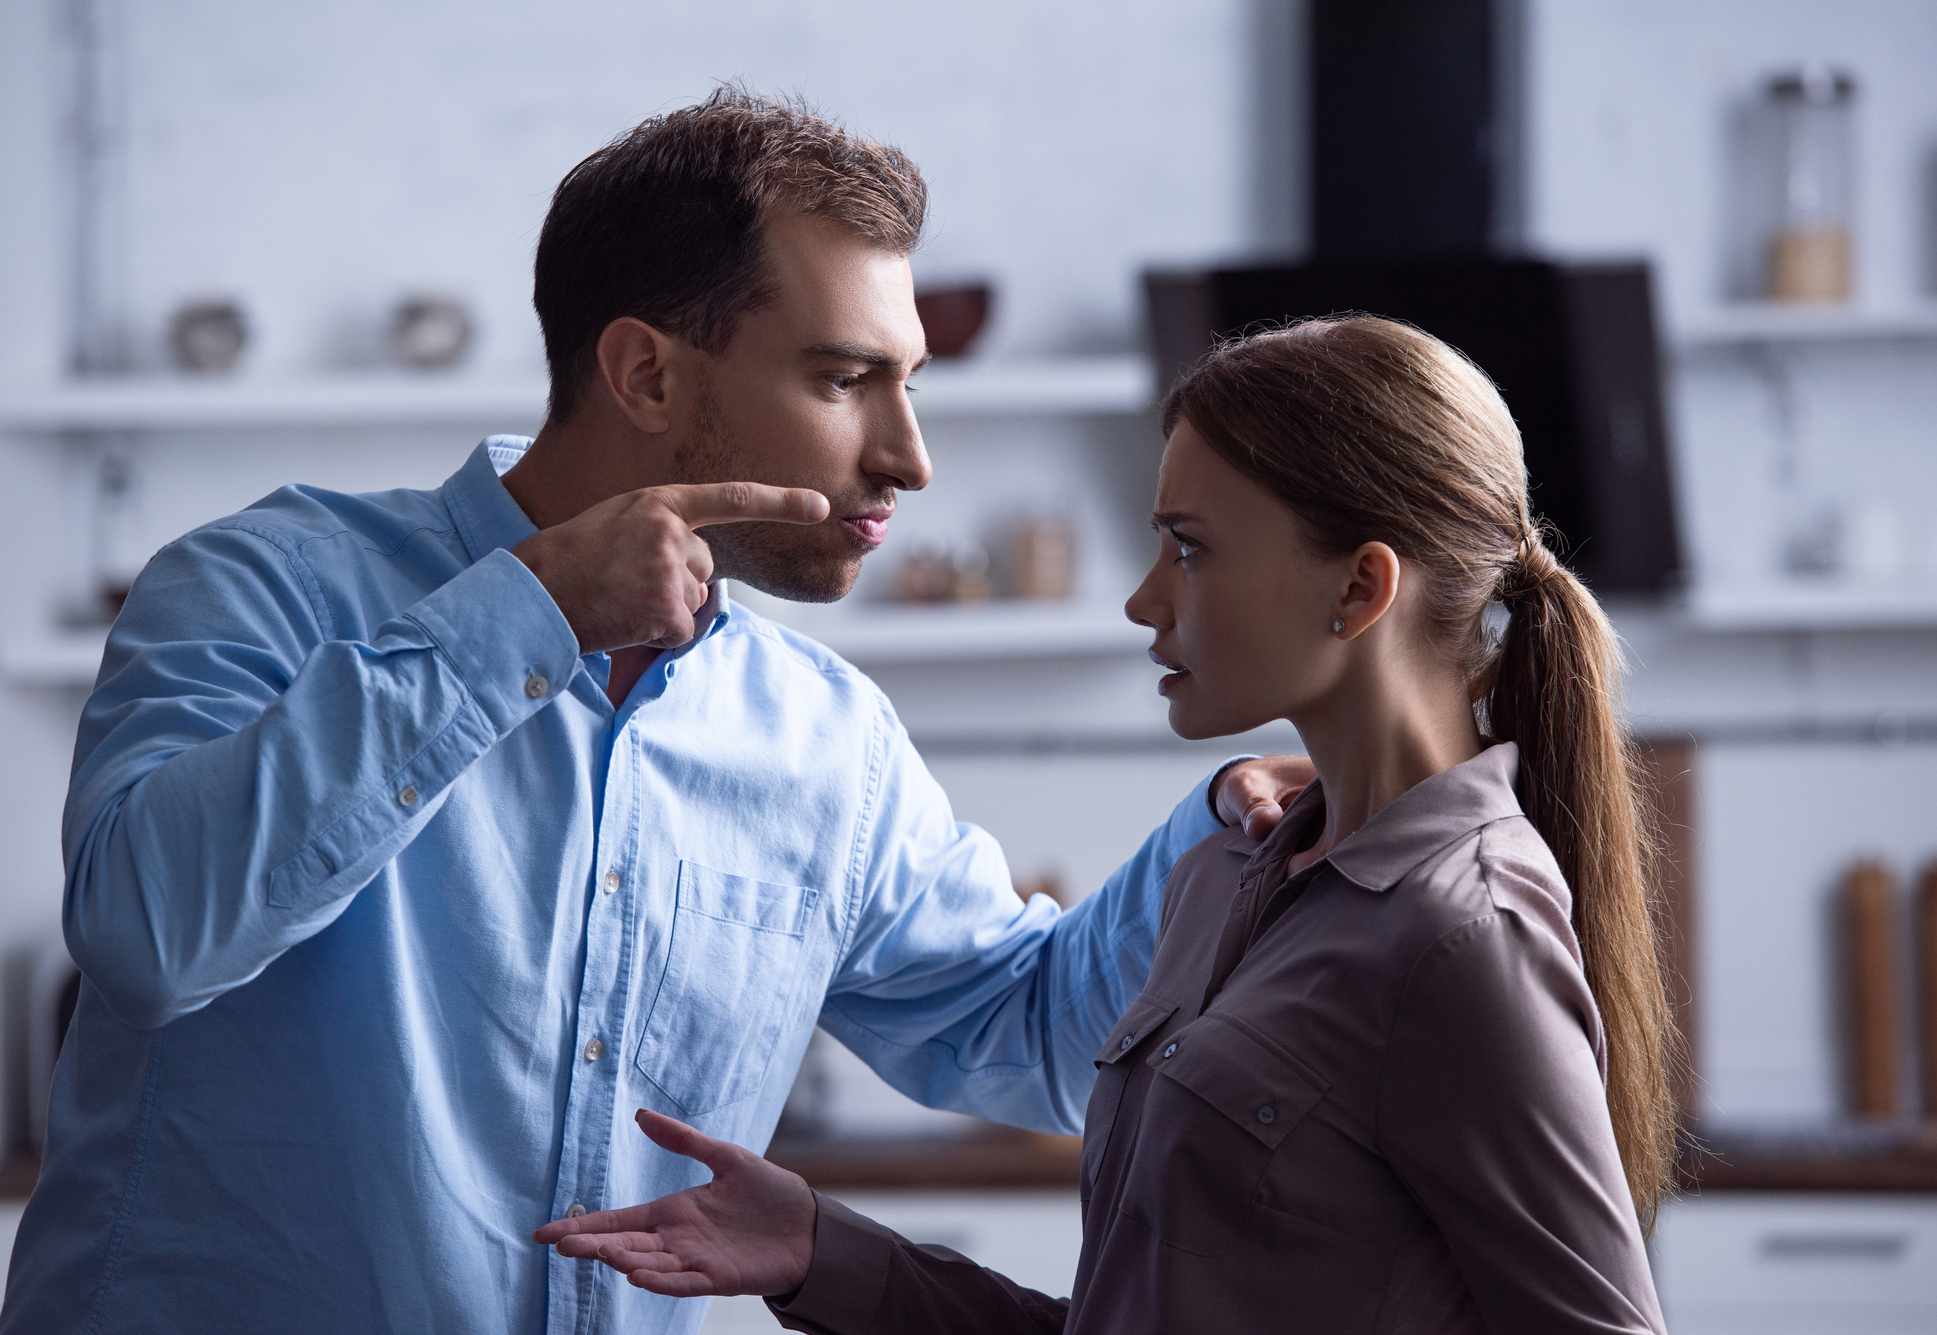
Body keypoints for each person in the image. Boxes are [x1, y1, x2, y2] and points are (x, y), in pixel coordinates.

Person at [1, 89, 1308, 1335]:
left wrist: (1217, 844)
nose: (910, 455)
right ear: (644, 375)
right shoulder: (258, 585)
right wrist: (526, 614)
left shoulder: (822, 736)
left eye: (911, 384)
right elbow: (149, 933)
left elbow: (1024, 1033)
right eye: (846, 379)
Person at [537, 315, 1682, 1335]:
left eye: (1188, 548)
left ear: (1356, 590)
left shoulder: (1459, 934)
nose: (1145, 599)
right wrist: (818, 1252)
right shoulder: (1224, 878)